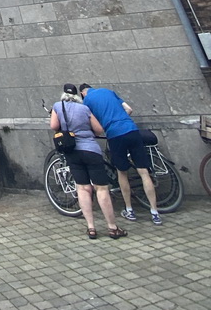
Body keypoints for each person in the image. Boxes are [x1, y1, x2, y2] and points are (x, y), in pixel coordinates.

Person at [49, 84, 127, 240]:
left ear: (63, 94)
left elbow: (54, 126)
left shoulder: (58, 106)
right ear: (77, 95)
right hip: (91, 150)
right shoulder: (84, 109)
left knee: (83, 188)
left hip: (72, 152)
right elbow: (98, 129)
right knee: (101, 189)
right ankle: (112, 227)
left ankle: (91, 228)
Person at [79, 82, 161, 225]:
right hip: (132, 129)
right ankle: (155, 212)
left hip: (115, 134)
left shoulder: (87, 101)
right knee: (144, 172)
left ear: (82, 93)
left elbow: (93, 123)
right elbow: (129, 109)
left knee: (122, 172)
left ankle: (129, 210)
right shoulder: (108, 91)